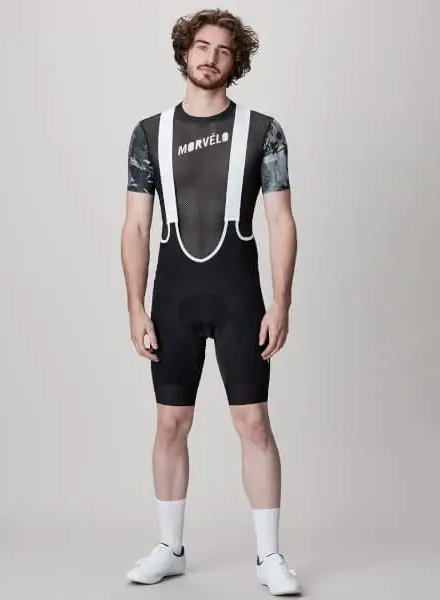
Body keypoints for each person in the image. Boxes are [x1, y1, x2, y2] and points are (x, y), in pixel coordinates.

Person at [120, 8, 300, 596]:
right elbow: (136, 226)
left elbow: (281, 219)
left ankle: (270, 556)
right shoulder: (149, 133)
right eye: (201, 46)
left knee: (254, 422)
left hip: (238, 297)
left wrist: (281, 303)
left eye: (223, 50)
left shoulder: (263, 130)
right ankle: (169, 548)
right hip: (172, 297)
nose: (210, 57)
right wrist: (135, 307)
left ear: (235, 61)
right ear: (184, 52)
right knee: (170, 423)